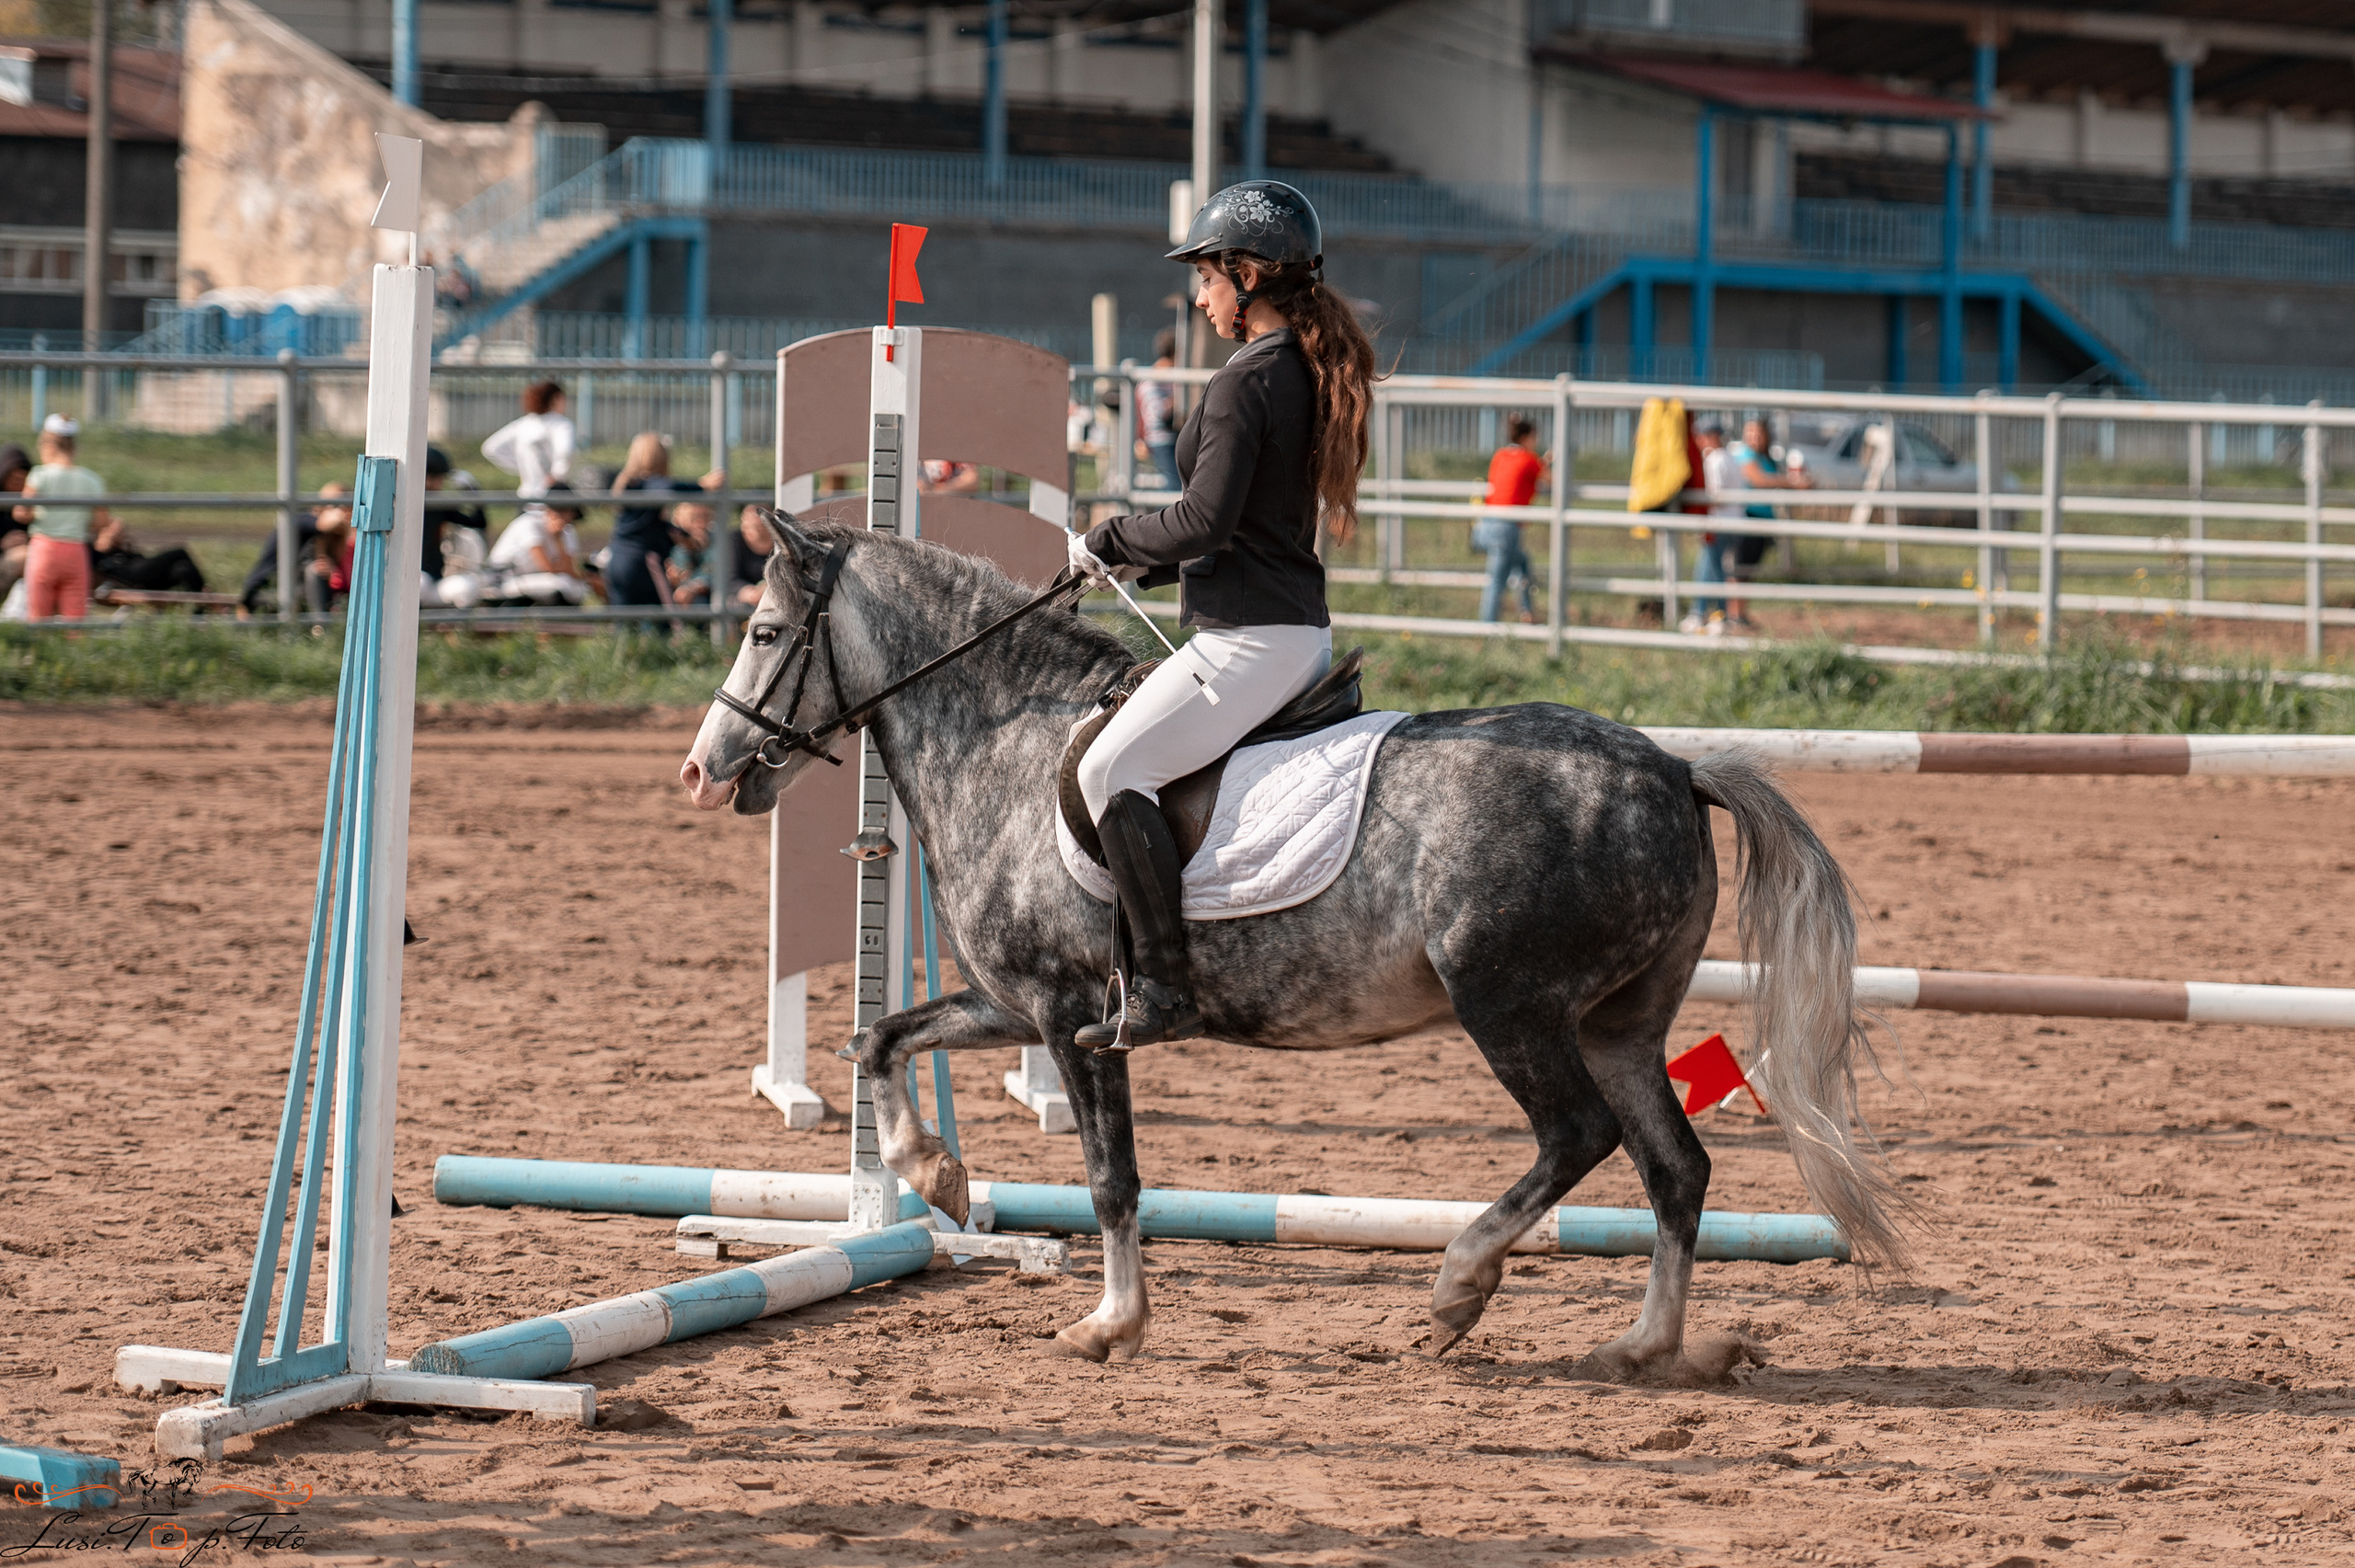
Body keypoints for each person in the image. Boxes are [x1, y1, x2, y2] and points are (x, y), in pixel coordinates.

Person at [1065, 179, 1374, 1050]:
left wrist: (1108, 536)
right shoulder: (1297, 368)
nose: (1200, 298)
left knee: (1107, 772)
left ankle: (1166, 987)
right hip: (1287, 631)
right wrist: (1139, 564)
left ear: (1248, 275)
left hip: (1251, 644)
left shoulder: (1248, 381)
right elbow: (1246, 528)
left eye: (1206, 278)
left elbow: (1204, 519)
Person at [606, 431, 721, 609]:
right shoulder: (649, 483)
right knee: (664, 615)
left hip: (617, 558)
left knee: (625, 617)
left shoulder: (628, 484)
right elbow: (668, 487)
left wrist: (683, 536)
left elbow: (651, 525)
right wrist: (702, 485)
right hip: (643, 560)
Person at [1719, 417, 1812, 633]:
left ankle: (1740, 614)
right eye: (1750, 433)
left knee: (1747, 569)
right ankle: (1733, 615)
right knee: (1740, 567)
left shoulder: (1764, 457)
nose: (1754, 438)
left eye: (1758, 433)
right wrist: (1793, 483)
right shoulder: (1746, 455)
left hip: (1761, 519)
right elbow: (1758, 480)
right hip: (1749, 517)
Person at [16, 415, 109, 622]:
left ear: (48, 445)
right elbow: (102, 521)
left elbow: (22, 512)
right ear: (74, 447)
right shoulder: (92, 480)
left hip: (44, 549)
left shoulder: (40, 475)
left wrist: (38, 514)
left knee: (38, 616)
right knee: (75, 618)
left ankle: (39, 643)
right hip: (76, 550)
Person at [1476, 416, 1546, 624]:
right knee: (1496, 582)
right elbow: (1550, 479)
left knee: (1521, 562)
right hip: (1505, 529)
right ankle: (1487, 628)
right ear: (1527, 437)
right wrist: (1544, 463)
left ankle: (1527, 612)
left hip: (1485, 524)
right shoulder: (1530, 459)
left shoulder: (1501, 455)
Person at [485, 484, 588, 605]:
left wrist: (558, 538)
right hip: (502, 580)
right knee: (562, 584)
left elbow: (568, 569)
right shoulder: (529, 523)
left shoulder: (567, 531)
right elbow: (548, 568)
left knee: (577, 587)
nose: (569, 515)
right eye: (564, 510)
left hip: (533, 579)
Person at [480, 380, 575, 503]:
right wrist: (556, 476)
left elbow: (490, 448)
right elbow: (565, 454)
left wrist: (522, 466)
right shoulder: (562, 424)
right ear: (555, 399)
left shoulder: (524, 424)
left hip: (526, 496)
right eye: (562, 398)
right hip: (553, 499)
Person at [90, 514, 207, 596]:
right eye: (119, 532)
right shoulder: (99, 545)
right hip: (132, 574)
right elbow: (101, 546)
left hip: (143, 570)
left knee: (184, 568)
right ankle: (206, 593)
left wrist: (121, 542)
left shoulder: (121, 546)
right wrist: (112, 530)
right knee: (180, 552)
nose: (122, 534)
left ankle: (200, 610)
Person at [1136, 327, 1180, 488]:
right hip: (1161, 438)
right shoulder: (1153, 379)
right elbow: (1157, 411)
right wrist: (1177, 401)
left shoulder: (1160, 377)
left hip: (1164, 438)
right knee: (1174, 486)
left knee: (1172, 484)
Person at [304, 486, 354, 614]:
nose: (340, 512)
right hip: (333, 594)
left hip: (345, 594)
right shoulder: (320, 536)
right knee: (314, 571)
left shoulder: (352, 539)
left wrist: (334, 575)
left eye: (343, 506)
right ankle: (320, 622)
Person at [0, 442, 31, 602]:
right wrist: (2, 543)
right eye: (14, 479)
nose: (17, 484)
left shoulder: (30, 501)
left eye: (22, 480)